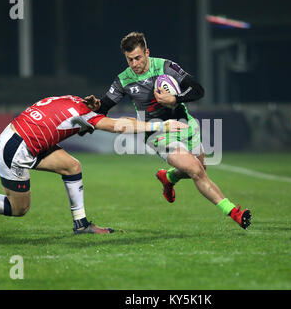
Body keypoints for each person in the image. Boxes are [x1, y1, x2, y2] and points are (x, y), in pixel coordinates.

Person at [0, 95, 188, 234]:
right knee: (19, 209)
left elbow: (71, 120)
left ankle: (80, 223)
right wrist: (160, 125)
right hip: (16, 150)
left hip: (24, 138)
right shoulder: (86, 115)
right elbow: (117, 125)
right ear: (94, 111)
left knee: (72, 166)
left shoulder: (72, 101)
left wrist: (86, 121)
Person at [96, 32, 252, 229]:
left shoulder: (164, 66)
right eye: (129, 60)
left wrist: (175, 99)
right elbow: (103, 109)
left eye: (138, 58)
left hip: (185, 124)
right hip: (157, 134)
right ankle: (234, 212)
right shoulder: (123, 80)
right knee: (195, 170)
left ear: (147, 53)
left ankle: (168, 177)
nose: (134, 64)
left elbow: (197, 89)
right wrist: (95, 107)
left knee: (200, 169)